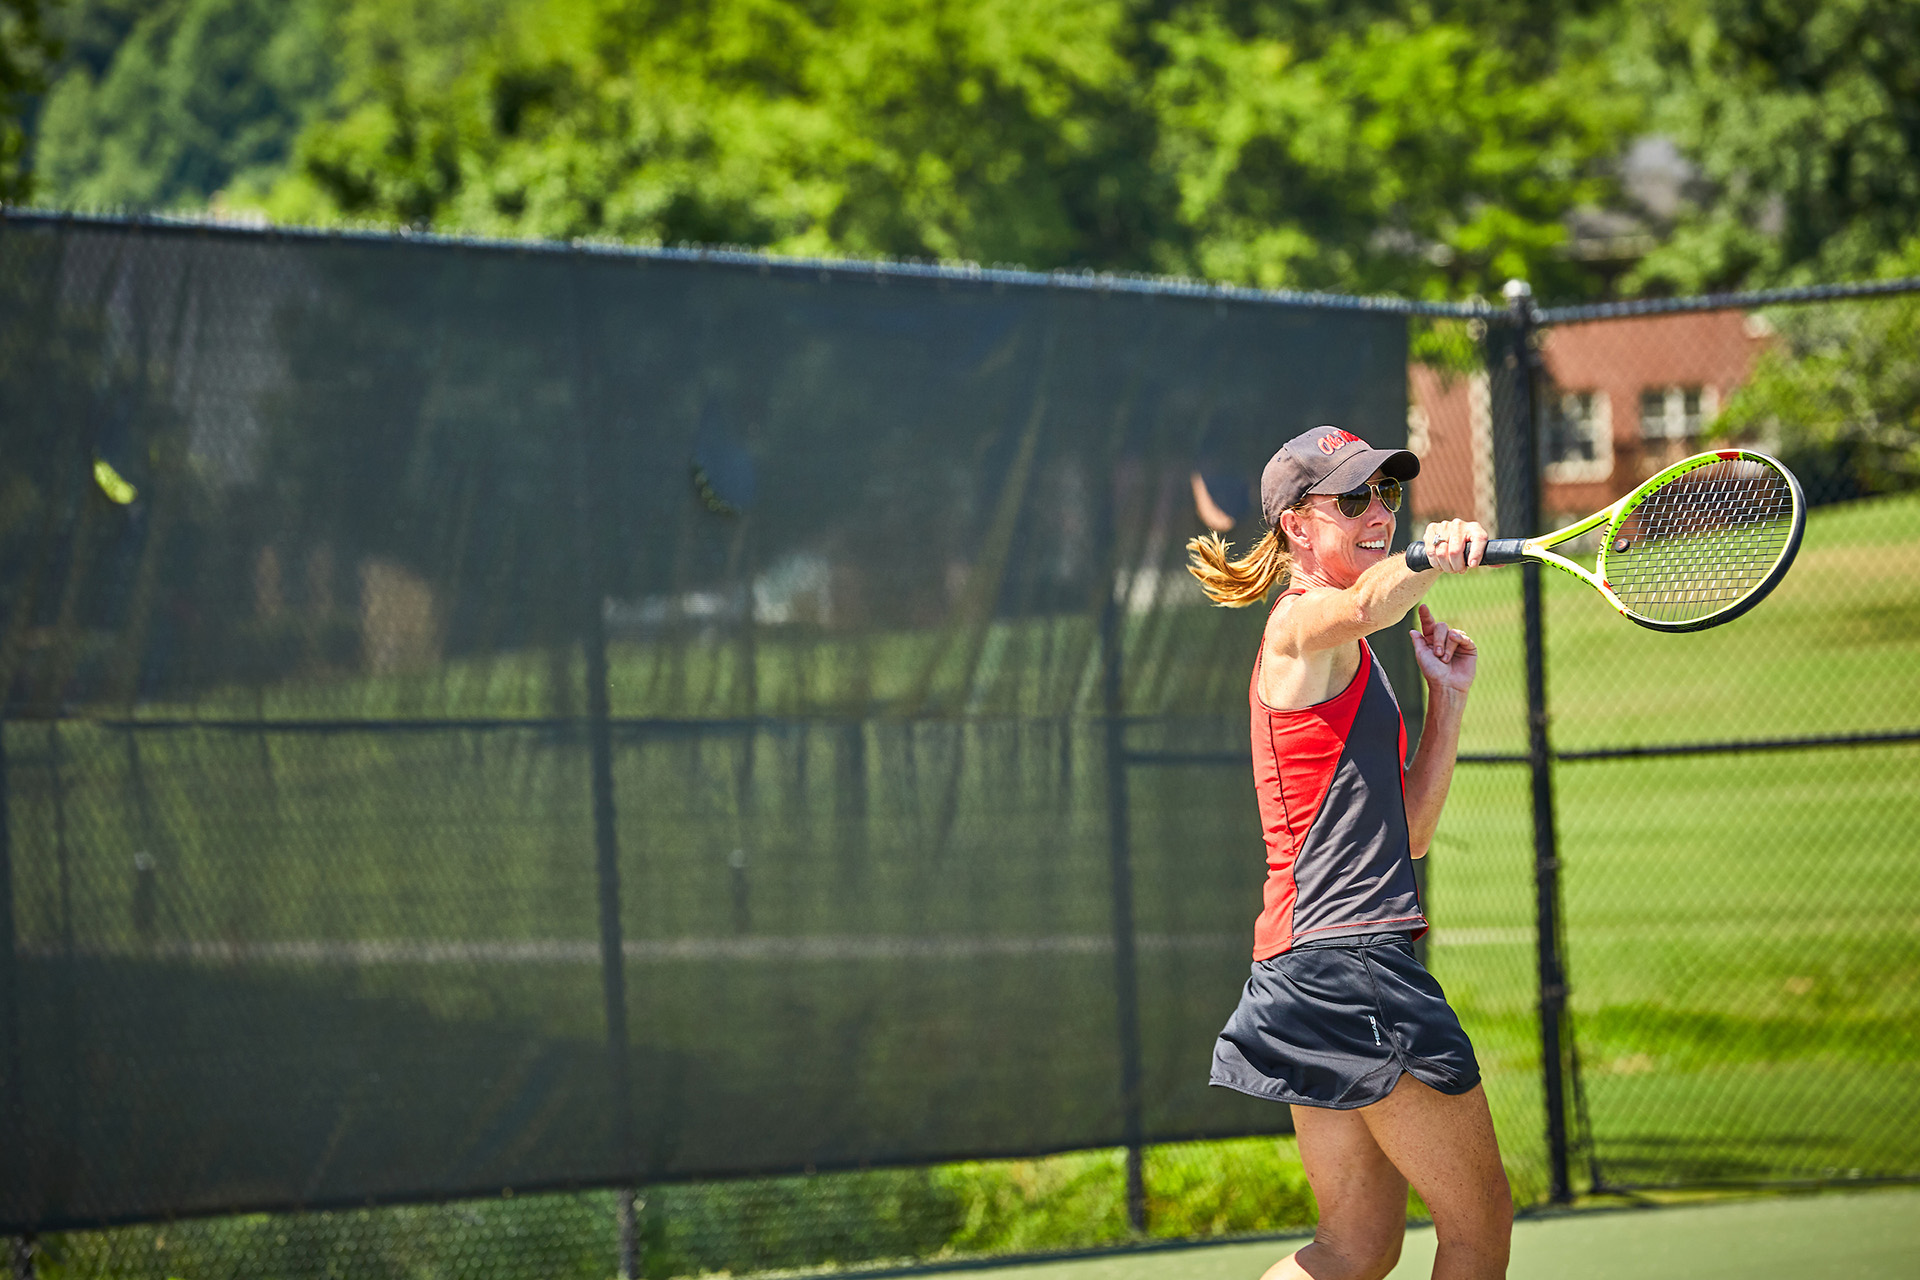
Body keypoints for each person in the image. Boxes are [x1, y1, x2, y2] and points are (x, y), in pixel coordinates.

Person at [1186, 424, 1509, 1280]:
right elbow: (1366, 602)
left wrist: (1447, 704)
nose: (1379, 513)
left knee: (1355, 1246)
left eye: (1389, 495)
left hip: (1305, 966)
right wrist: (1434, 557)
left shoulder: (1346, 656)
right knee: (1480, 1229)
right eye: (1354, 497)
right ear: (1296, 525)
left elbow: (1414, 837)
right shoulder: (1301, 628)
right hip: (1350, 961)